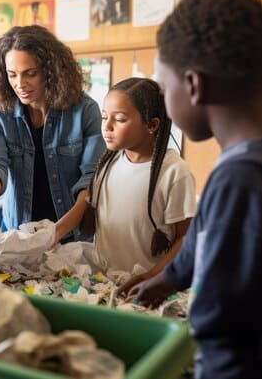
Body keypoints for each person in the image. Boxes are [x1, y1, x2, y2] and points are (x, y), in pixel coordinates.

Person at [134, 0, 262, 379]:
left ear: (193, 85)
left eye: (162, 87)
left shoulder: (240, 179)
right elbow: (208, 239)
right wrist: (169, 277)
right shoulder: (242, 162)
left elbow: (222, 324)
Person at [0, 25, 105, 243]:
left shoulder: (84, 111)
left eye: (30, 74)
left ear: (52, 70)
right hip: (18, 233)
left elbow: (91, 181)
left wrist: (57, 232)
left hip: (71, 234)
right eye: (12, 75)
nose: (20, 84)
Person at [56, 78, 196, 293]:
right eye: (104, 117)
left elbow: (185, 238)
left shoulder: (174, 171)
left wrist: (152, 276)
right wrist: (52, 233)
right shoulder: (107, 163)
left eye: (120, 119)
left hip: (149, 287)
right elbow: (89, 216)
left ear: (152, 124)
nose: (107, 127)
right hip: (105, 285)